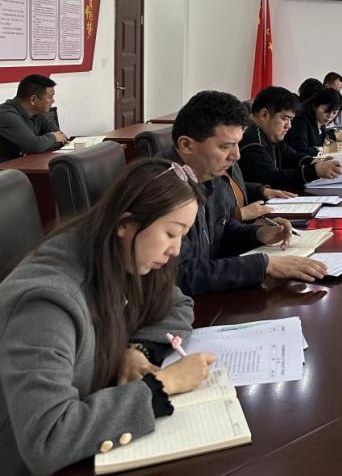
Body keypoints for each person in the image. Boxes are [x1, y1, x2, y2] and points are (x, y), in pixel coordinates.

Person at [0, 158, 217, 474]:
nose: (176, 250)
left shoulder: (118, 253)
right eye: (171, 233)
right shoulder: (46, 304)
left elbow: (177, 304)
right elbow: (48, 439)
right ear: (125, 224)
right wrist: (163, 384)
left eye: (183, 235)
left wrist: (135, 350)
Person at [166, 90, 327, 296]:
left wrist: (258, 234)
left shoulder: (208, 174)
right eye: (226, 146)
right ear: (187, 145)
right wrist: (263, 265)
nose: (236, 155)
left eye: (237, 144)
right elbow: (180, 275)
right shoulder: (162, 190)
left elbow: (221, 230)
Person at [239, 86, 342, 192]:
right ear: (264, 114)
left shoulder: (270, 134)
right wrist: (314, 171)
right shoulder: (252, 141)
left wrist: (314, 162)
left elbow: (291, 156)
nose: (289, 126)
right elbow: (271, 181)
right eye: (284, 118)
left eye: (291, 120)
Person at [0, 74, 68, 161]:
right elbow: (34, 145)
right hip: (6, 167)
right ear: (33, 99)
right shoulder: (6, 115)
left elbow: (60, 137)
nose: (53, 101)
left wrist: (43, 143)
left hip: (24, 164)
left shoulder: (38, 112)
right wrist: (52, 138)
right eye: (50, 97)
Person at [284, 87, 342, 157]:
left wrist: (326, 142)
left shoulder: (319, 120)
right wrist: (327, 149)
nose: (330, 116)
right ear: (314, 106)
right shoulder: (300, 121)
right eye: (326, 110)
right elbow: (301, 150)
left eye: (334, 112)